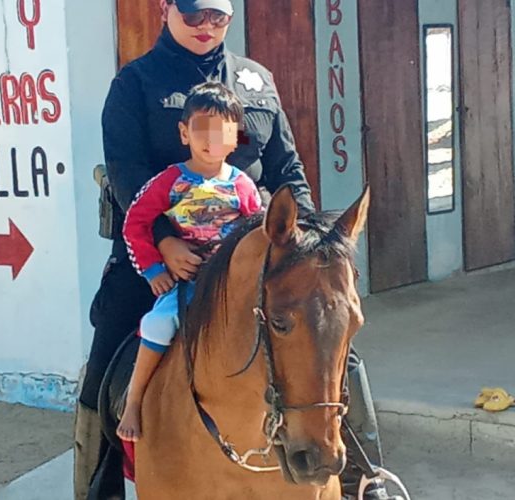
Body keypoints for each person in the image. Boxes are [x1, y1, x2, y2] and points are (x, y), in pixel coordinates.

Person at [74, 1, 402, 499]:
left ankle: (367, 477)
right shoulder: (135, 83)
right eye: (193, 14)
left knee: (334, 346)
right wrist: (164, 240)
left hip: (261, 253)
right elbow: (125, 173)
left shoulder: (256, 80)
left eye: (218, 17)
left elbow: (287, 171)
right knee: (106, 362)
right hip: (164, 258)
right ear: (165, 10)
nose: (206, 26)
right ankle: (99, 487)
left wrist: (308, 247)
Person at [115, 82, 263, 443]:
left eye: (223, 129)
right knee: (158, 324)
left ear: (236, 138)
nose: (212, 138)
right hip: (192, 282)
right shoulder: (170, 181)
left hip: (236, 284)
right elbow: (135, 223)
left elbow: (259, 237)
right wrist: (153, 269)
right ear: (184, 132)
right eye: (202, 127)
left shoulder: (244, 186)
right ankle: (134, 401)